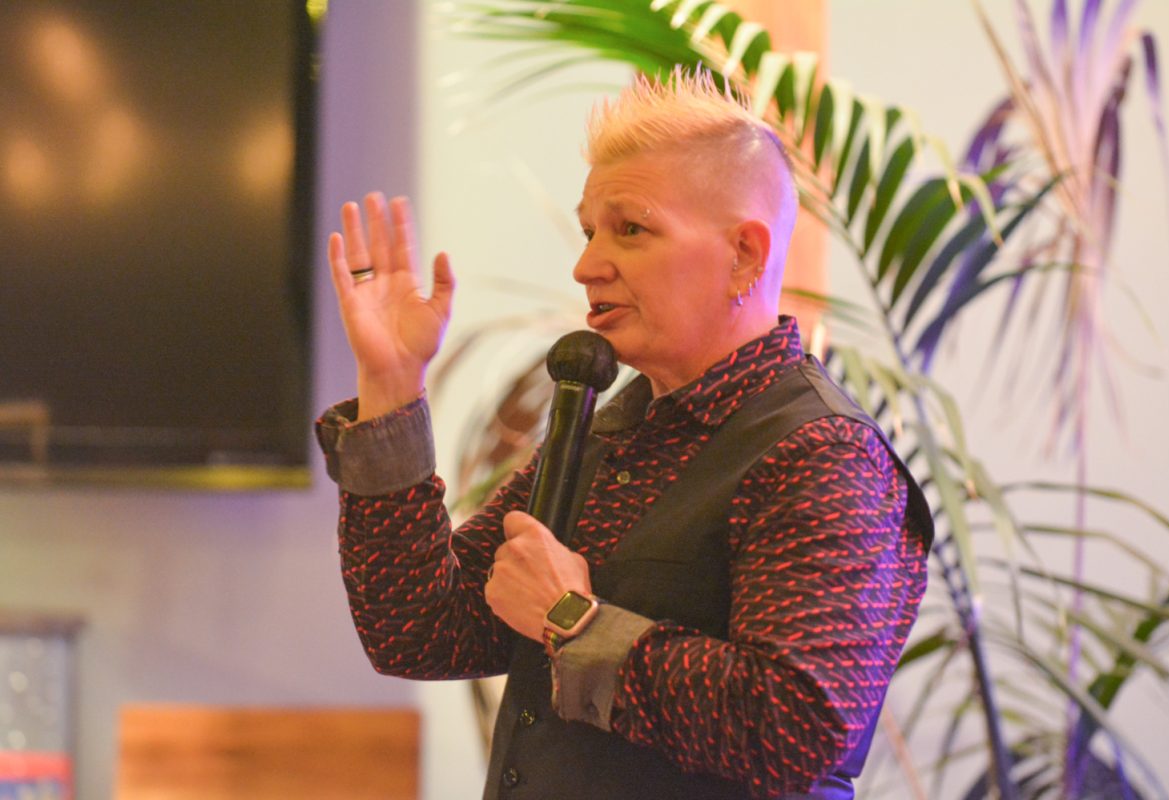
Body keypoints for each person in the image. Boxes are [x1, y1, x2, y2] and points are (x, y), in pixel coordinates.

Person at [315, 69, 932, 800]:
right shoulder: (613, 428)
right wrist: (392, 385)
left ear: (744, 255)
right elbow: (421, 628)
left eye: (630, 228)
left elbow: (799, 728)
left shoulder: (821, 455)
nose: (585, 265)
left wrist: (570, 621)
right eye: (588, 230)